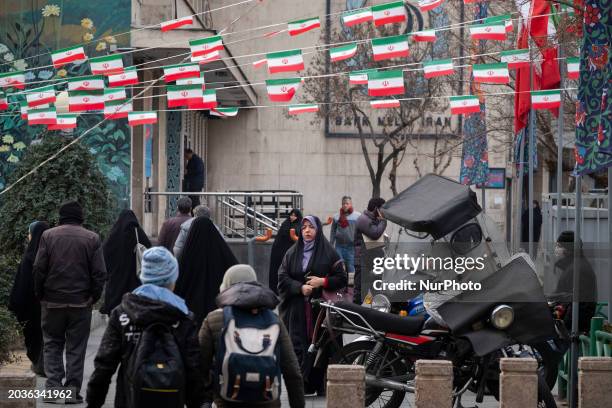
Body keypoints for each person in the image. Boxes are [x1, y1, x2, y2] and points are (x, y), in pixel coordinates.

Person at [86, 247, 204, 408]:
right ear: (173, 278)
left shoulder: (123, 314)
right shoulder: (183, 317)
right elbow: (194, 370)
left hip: (130, 399)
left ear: (144, 277)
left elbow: (104, 365)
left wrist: (94, 402)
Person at [199, 264, 305, 408]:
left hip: (228, 401)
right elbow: (292, 371)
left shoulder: (214, 319)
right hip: (267, 401)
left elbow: (199, 367)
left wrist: (202, 399)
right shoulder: (273, 321)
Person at [33, 201, 106, 403]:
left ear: (61, 216)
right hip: (80, 302)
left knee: (52, 344)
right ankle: (72, 392)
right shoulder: (92, 238)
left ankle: (53, 389)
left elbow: (39, 268)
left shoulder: (48, 236)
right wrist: (93, 297)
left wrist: (40, 294)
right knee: (76, 347)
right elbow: (99, 273)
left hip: (52, 301)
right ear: (80, 217)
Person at [278, 216, 346, 394]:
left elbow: (342, 278)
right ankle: (302, 385)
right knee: (298, 345)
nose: (307, 231)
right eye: (304, 228)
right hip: (298, 310)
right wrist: (300, 287)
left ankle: (322, 385)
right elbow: (282, 278)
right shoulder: (292, 253)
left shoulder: (330, 252)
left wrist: (322, 281)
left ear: (318, 230)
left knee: (322, 345)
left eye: (311, 227)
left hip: (322, 310)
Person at [175, 217, 238, 326]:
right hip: (218, 319)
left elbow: (180, 285)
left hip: (191, 320)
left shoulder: (187, 257)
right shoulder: (222, 253)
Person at [9, 221, 50, 376]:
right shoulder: (50, 254)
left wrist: (14, 303)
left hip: (31, 306)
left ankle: (41, 365)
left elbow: (21, 284)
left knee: (35, 336)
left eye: (29, 232)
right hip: (48, 304)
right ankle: (45, 366)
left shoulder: (29, 256)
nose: (28, 235)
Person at [100, 210, 152, 315]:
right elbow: (149, 252)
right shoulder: (139, 235)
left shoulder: (113, 236)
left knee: (115, 318)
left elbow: (104, 256)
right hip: (135, 283)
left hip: (116, 284)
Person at [552, 231, 598, 333]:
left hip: (573, 332)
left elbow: (580, 304)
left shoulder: (578, 269)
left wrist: (564, 327)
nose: (556, 249)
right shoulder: (573, 267)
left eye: (559, 246)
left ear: (569, 250)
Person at [353, 198, 387, 304]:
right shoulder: (363, 219)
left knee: (375, 289)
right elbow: (375, 234)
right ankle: (356, 313)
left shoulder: (373, 220)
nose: (384, 212)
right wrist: (383, 221)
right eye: (383, 208)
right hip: (362, 260)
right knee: (360, 290)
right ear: (376, 209)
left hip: (372, 260)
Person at [268, 209, 303, 294]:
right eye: (291, 215)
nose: (292, 217)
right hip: (279, 252)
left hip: (292, 253)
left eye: (294, 215)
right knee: (277, 271)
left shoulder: (300, 225)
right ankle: (276, 290)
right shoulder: (285, 224)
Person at [329, 196, 360, 276]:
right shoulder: (336, 216)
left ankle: (351, 287)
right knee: (339, 267)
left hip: (351, 247)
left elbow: (361, 231)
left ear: (351, 204)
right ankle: (341, 286)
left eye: (347, 203)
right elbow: (333, 231)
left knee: (351, 268)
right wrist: (331, 244)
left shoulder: (357, 216)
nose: (345, 205)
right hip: (339, 246)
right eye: (343, 204)